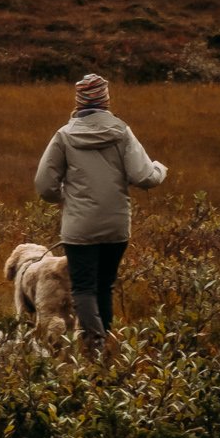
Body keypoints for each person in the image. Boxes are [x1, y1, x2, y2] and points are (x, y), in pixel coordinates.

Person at [34, 73, 166, 350]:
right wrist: (160, 168)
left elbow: (44, 185)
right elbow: (145, 177)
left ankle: (95, 343)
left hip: (79, 228)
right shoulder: (122, 132)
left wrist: (65, 198)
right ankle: (101, 346)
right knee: (105, 286)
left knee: (83, 287)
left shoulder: (64, 136)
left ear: (78, 101)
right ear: (106, 100)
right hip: (116, 226)